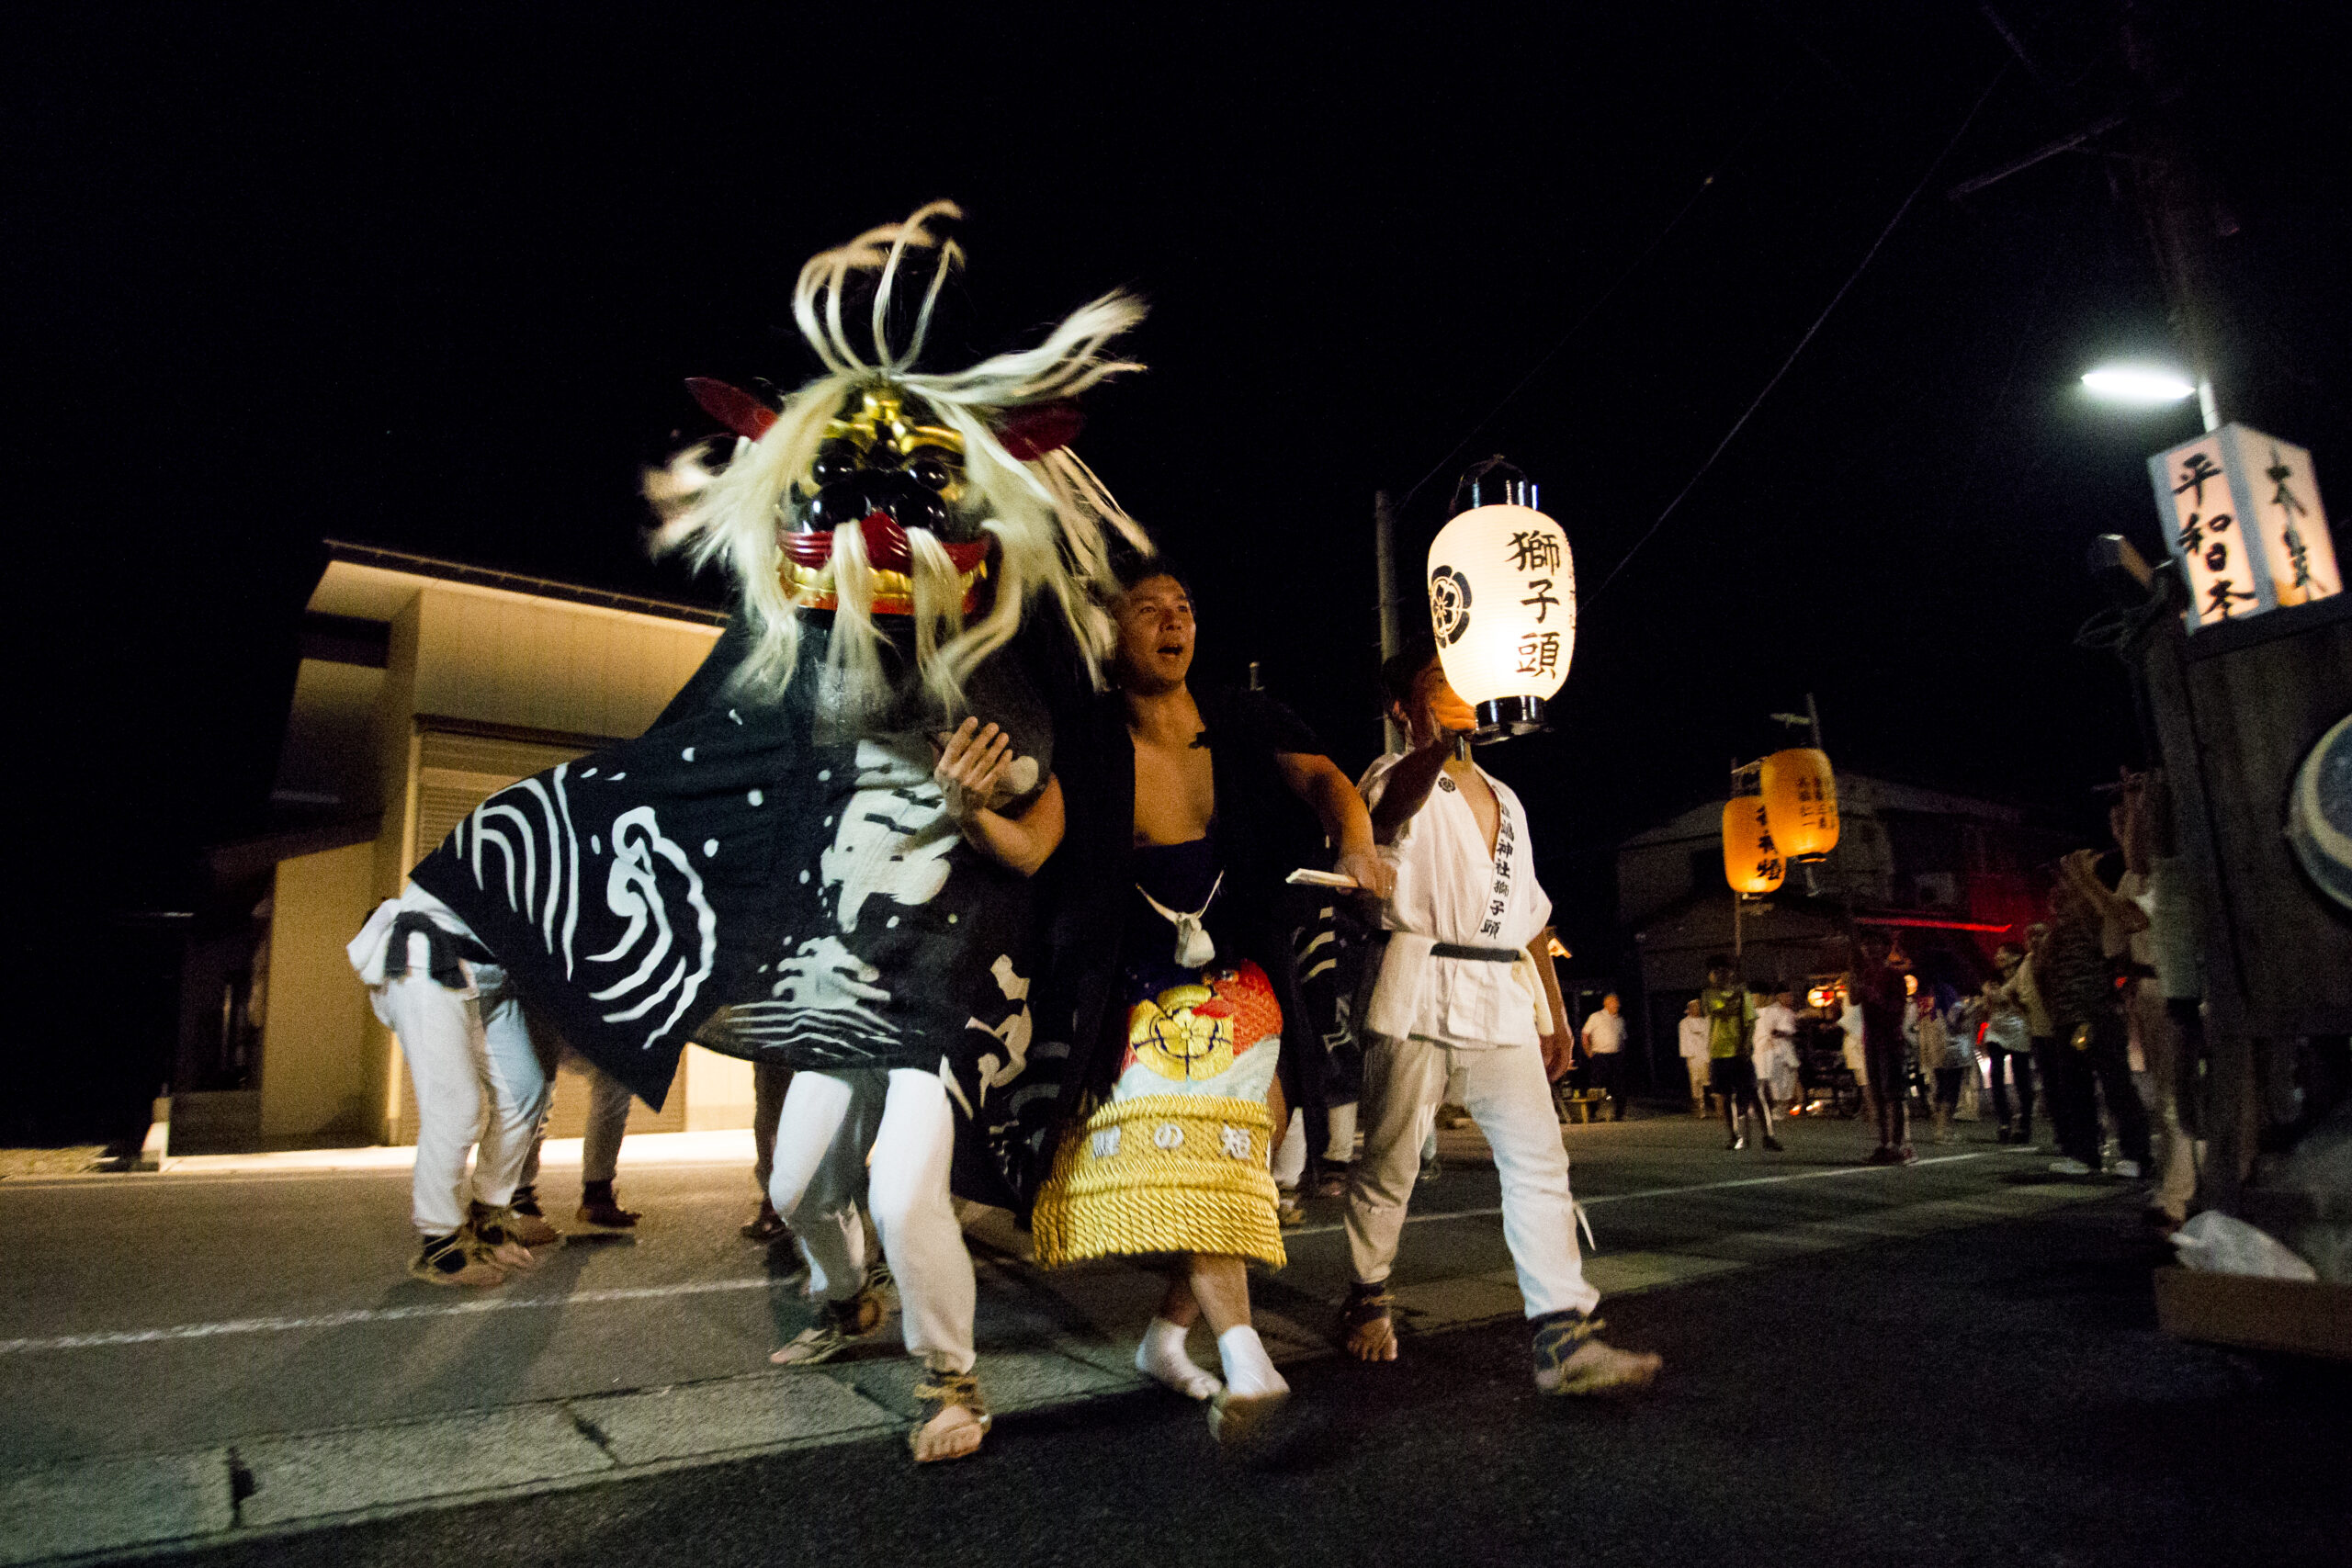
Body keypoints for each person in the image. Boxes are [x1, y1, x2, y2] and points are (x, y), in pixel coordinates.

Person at [350, 204, 1153, 1463]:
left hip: (938, 993)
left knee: (903, 1185)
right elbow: (674, 784)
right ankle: (846, 1299)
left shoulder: (990, 680)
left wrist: (978, 805)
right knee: (793, 1189)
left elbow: (1042, 843)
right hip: (836, 991)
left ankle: (953, 1379)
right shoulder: (775, 684)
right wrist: (523, 866)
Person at [1023, 560, 1393, 1446]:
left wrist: (1358, 841)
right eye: (1148, 608)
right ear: (1109, 634)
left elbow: (1326, 780)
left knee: (1240, 1148)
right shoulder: (1084, 735)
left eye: (1183, 606)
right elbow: (1032, 843)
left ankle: (1164, 1338)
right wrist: (970, 806)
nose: (1172, 620)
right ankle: (1245, 1355)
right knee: (1205, 1149)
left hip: (1243, 966)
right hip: (1136, 981)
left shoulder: (1240, 717)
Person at [1336, 639, 1659, 1395]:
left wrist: (1554, 1014)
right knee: (1390, 1161)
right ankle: (1367, 1293)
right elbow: (1386, 816)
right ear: (1403, 708)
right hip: (1417, 985)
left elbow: (1531, 919)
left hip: (1503, 996)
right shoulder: (1387, 773)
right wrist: (1435, 748)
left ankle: (1562, 1331)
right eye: (1435, 685)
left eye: (1460, 684)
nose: (1456, 696)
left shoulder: (1509, 799)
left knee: (1539, 1158)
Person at [2045, 852, 2154, 1180]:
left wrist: (2084, 878)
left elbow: (2113, 944)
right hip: (2071, 1016)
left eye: (2063, 881)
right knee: (2077, 1083)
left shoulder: (2093, 908)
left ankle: (2135, 1154)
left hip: (2091, 1016)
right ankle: (2085, 1154)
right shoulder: (2063, 919)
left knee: (2112, 1083)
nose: (2056, 889)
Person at [1702, 959, 1778, 1151]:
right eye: (1714, 971)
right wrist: (1736, 997)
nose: (1719, 974)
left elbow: (1750, 1021)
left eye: (1723, 970)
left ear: (1731, 973)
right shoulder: (1709, 994)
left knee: (1755, 1092)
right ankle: (1735, 1136)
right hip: (1719, 1051)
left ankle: (1768, 1135)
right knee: (1727, 1096)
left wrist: (1746, 1045)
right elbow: (1720, 1011)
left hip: (1740, 1052)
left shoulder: (1743, 994)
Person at [1852, 930, 1914, 1165]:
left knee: (1893, 1094)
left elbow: (1897, 1009)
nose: (1870, 948)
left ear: (1886, 948)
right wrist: (1855, 979)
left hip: (1890, 1040)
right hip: (1871, 1040)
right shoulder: (1865, 973)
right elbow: (1854, 999)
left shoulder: (1894, 975)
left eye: (1875, 943)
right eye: (1867, 943)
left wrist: (1875, 996)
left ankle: (1896, 1144)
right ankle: (1883, 1142)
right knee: (1877, 1094)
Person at [1980, 942, 2036, 1145]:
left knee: (2022, 1078)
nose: (1997, 956)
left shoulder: (2022, 976)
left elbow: (2026, 1004)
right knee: (1995, 1075)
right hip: (1996, 1031)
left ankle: (2024, 1124)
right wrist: (1988, 1000)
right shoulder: (1992, 981)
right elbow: (1987, 1010)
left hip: (2018, 1029)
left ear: (2015, 957)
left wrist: (2009, 999)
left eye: (2002, 953)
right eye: (1997, 952)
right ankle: (2004, 1122)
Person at [1580, 993, 1629, 1122]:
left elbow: (1623, 1038)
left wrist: (1622, 1053)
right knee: (1596, 1085)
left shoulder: (1620, 1020)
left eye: (1617, 1002)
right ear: (1606, 1004)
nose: (1617, 1005)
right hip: (1600, 1055)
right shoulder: (1596, 1017)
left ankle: (1619, 1113)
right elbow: (1585, 1035)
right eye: (1614, 1002)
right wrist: (1588, 1052)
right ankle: (1592, 1113)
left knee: (1618, 1084)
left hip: (1615, 1055)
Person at [1751, 988, 1799, 1116]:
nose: (1753, 1000)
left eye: (1755, 997)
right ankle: (1758, 1108)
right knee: (1759, 1080)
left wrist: (1779, 1032)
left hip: (1776, 1050)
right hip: (1758, 1050)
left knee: (1778, 1081)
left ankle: (1779, 1107)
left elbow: (1788, 1029)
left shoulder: (1778, 1011)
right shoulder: (1752, 1012)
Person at [1679, 998, 1712, 1117]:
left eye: (1698, 1006)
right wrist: (1688, 1054)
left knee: (1706, 1080)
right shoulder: (1684, 1023)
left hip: (1704, 1055)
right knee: (1695, 1081)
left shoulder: (1705, 1021)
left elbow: (1708, 1037)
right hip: (1693, 1056)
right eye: (1694, 1006)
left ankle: (1711, 1105)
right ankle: (1700, 1107)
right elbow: (1684, 1040)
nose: (1697, 1009)